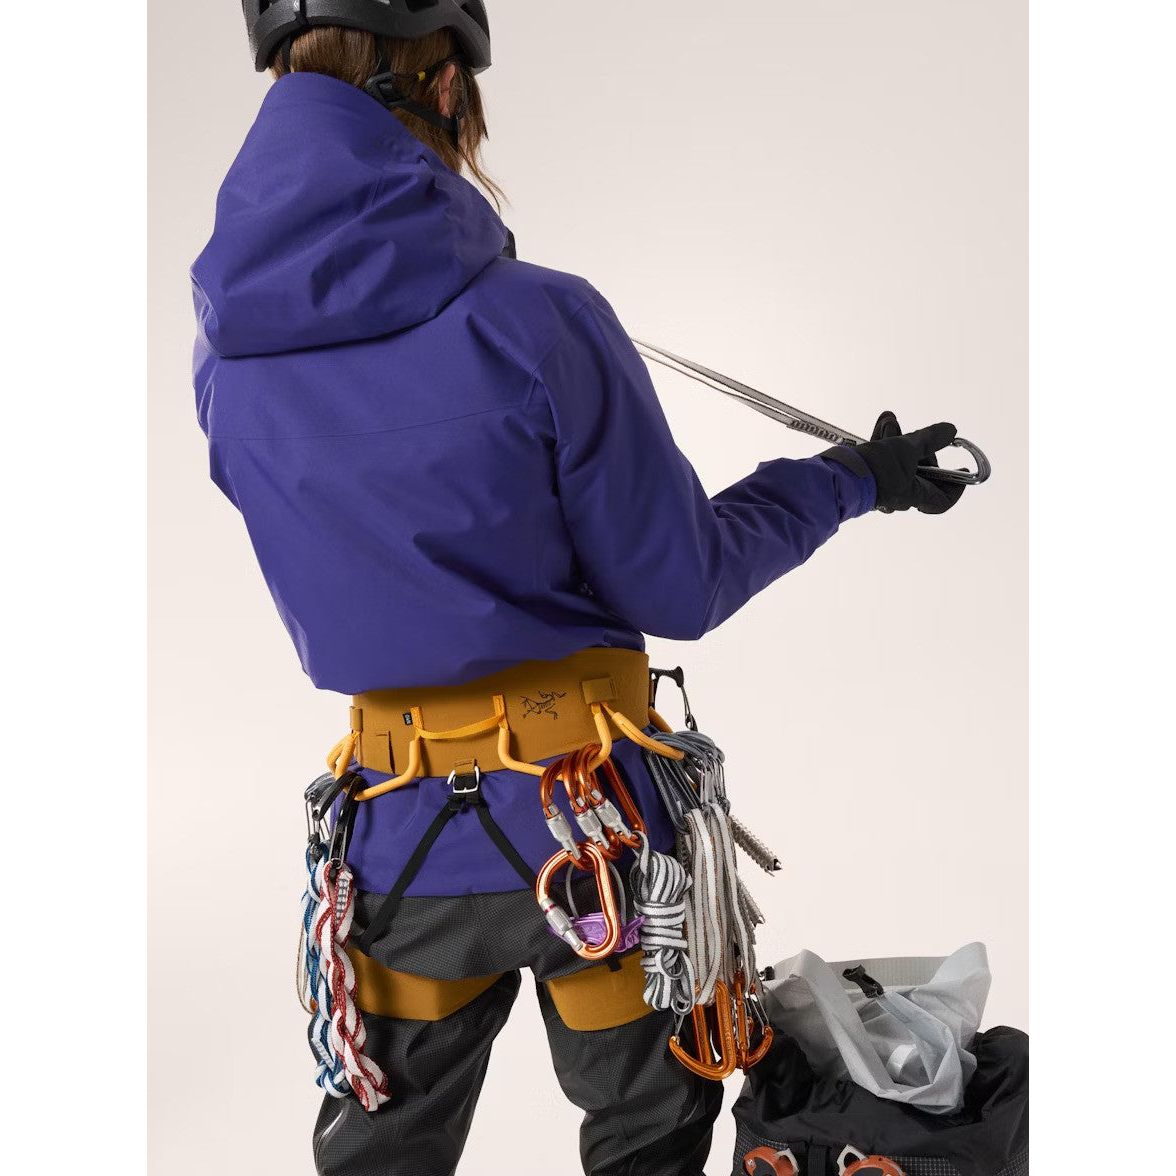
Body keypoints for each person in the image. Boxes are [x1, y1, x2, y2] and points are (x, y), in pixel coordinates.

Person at [192, 4, 966, 1174]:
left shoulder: (225, 359)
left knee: (380, 1154)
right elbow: (683, 583)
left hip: (392, 839)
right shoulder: (540, 318)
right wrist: (851, 479)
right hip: (589, 831)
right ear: (443, 86)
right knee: (648, 1139)